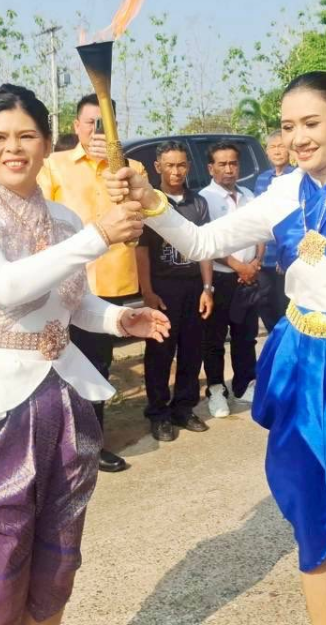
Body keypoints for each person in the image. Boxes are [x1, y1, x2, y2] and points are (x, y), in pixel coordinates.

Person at [105, 71, 326, 625]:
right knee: (310, 513)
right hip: (301, 360)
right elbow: (201, 242)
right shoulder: (281, 191)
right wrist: (149, 201)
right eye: (289, 127)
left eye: (312, 123)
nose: (299, 137)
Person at [0, 84, 168, 625]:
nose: (13, 148)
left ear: (47, 143)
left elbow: (74, 303)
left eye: (27, 135)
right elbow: (5, 286)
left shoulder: (65, 220)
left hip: (61, 401)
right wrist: (98, 235)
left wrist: (121, 318)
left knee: (57, 561)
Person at [37, 93, 149, 473]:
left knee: (98, 366)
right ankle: (54, 448)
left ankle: (91, 444)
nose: (97, 131)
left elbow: (137, 228)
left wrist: (111, 169)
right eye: (90, 122)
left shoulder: (130, 168)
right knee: (53, 365)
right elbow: (39, 221)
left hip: (112, 283)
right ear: (76, 126)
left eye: (106, 124)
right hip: (62, 285)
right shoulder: (53, 166)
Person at [136, 141, 214, 442]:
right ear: (158, 167)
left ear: (188, 167)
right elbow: (141, 252)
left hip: (193, 286)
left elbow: (206, 247)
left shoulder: (198, 204)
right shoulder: (150, 203)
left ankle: (184, 407)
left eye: (181, 164)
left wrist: (207, 288)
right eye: (169, 165)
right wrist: (148, 292)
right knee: (160, 353)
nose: (176, 171)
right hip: (163, 289)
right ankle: (158, 412)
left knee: (192, 351)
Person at [199, 141, 265, 417]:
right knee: (214, 339)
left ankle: (244, 385)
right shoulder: (204, 199)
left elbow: (260, 231)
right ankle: (216, 390)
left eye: (233, 163)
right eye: (222, 164)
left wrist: (255, 262)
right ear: (211, 168)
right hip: (222, 279)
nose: (229, 169)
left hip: (248, 277)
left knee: (246, 336)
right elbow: (206, 243)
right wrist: (238, 266)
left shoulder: (249, 195)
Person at [255, 130, 293, 333]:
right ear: (267, 152)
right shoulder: (262, 180)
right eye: (272, 147)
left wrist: (285, 255)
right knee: (265, 306)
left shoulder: (297, 177)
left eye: (281, 146)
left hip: (286, 260)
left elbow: (298, 221)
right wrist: (257, 256)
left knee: (286, 310)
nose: (277, 151)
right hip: (264, 259)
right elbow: (259, 217)